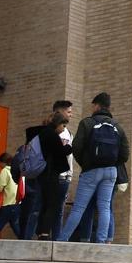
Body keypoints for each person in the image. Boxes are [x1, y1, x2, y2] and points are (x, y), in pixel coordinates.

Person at [58, 92, 129, 243]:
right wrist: (112, 163)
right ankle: (101, 242)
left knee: (79, 208)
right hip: (111, 172)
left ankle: (62, 239)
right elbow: (125, 155)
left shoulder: (87, 123)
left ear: (96, 105)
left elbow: (76, 147)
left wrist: (86, 163)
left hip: (91, 170)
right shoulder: (117, 127)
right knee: (104, 207)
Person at [24, 112, 73, 240]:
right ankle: (45, 232)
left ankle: (40, 231)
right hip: (50, 174)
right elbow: (60, 153)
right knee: (52, 204)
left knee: (44, 203)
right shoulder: (51, 135)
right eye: (63, 125)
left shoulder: (41, 133)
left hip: (41, 173)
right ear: (58, 124)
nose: (63, 129)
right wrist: (69, 146)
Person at [52, 100, 74, 239]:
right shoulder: (52, 131)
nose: (71, 115)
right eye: (68, 112)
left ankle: (56, 239)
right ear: (59, 112)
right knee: (46, 208)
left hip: (65, 176)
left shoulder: (68, 132)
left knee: (59, 209)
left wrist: (70, 175)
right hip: (55, 176)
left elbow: (69, 157)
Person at [0, 153, 21, 239]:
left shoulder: (5, 171)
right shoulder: (16, 170)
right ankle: (28, 245)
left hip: (6, 206)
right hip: (16, 205)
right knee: (18, 230)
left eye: (0, 162)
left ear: (3, 162)